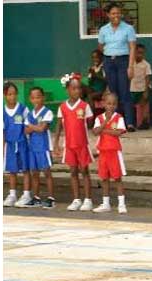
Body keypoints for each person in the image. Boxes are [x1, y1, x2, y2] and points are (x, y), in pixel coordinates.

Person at [57, 75, 95, 212]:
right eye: (73, 88)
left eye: (79, 88)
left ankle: (88, 199)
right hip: (69, 145)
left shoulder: (85, 106)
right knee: (73, 172)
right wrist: (56, 143)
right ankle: (76, 199)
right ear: (67, 89)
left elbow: (90, 122)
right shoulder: (62, 107)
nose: (76, 91)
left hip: (82, 144)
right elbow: (59, 125)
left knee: (85, 171)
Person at [98, 3, 137, 131]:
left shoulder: (128, 28)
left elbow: (132, 47)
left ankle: (129, 123)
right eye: (113, 13)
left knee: (124, 91)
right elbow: (100, 47)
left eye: (118, 13)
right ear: (108, 15)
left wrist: (130, 66)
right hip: (109, 61)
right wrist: (109, 54)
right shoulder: (103, 29)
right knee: (113, 93)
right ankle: (115, 122)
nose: (116, 16)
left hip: (123, 61)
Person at [91, 93, 127, 214]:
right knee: (104, 178)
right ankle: (106, 203)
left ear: (116, 105)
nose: (111, 106)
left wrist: (104, 130)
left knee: (117, 178)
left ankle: (121, 204)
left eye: (113, 104)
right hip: (103, 152)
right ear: (103, 104)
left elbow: (118, 133)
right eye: (108, 103)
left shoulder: (119, 117)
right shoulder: (99, 118)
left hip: (114, 152)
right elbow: (95, 132)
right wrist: (105, 122)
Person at [23, 87, 56, 208]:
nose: (36, 99)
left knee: (47, 172)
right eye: (33, 97)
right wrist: (35, 127)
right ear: (30, 99)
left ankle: (51, 198)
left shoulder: (47, 112)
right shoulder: (30, 114)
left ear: (43, 97)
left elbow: (42, 128)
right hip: (32, 148)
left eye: (38, 97)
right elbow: (26, 131)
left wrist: (32, 127)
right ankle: (36, 197)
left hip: (43, 147)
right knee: (34, 173)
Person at [3, 82, 29, 207]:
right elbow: (2, 131)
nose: (12, 97)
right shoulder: (2, 112)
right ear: (5, 95)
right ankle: (12, 194)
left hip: (23, 144)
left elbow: (28, 126)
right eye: (9, 94)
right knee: (12, 171)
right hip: (10, 145)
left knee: (25, 170)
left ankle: (26, 194)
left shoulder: (23, 109)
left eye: (14, 94)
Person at [129, 44, 152, 130]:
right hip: (132, 89)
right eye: (138, 53)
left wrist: (146, 90)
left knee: (144, 106)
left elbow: (148, 77)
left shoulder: (146, 65)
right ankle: (134, 123)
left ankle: (144, 123)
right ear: (134, 52)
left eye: (142, 53)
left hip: (143, 89)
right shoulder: (131, 63)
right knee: (134, 107)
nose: (140, 55)